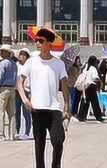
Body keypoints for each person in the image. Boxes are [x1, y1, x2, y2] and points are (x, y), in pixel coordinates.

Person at [18, 28, 71, 168]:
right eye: (36, 40)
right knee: (39, 145)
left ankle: (56, 165)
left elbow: (64, 85)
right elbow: (19, 82)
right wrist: (25, 99)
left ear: (49, 43)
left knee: (58, 141)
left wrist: (66, 106)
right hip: (37, 109)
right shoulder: (31, 62)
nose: (37, 43)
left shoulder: (59, 64)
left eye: (41, 41)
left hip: (54, 109)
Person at [0, 44, 18, 140]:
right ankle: (13, 134)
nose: (1, 53)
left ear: (6, 53)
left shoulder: (3, 63)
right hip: (12, 89)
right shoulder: (14, 64)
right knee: (12, 113)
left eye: (2, 51)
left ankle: (1, 133)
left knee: (1, 111)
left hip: (3, 88)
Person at [77, 56, 104, 123]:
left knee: (85, 101)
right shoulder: (93, 68)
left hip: (85, 86)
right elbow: (95, 78)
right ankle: (98, 117)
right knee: (95, 103)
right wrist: (99, 81)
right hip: (91, 86)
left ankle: (81, 117)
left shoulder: (86, 68)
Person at [15, 48, 32, 138]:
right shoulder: (16, 65)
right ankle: (17, 130)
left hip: (26, 90)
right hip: (17, 90)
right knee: (16, 111)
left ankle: (27, 132)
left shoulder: (29, 66)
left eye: (24, 55)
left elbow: (30, 79)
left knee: (26, 112)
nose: (21, 56)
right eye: (20, 54)